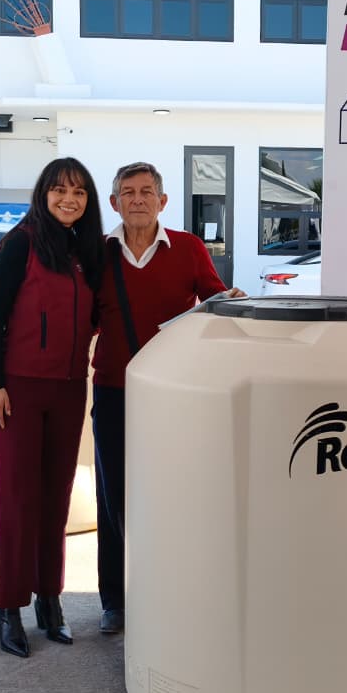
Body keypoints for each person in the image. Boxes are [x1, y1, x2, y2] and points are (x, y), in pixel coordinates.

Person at [91, 161, 243, 634]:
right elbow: (82, 318)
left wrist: (231, 302)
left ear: (163, 201)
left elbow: (214, 304)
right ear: (114, 203)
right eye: (128, 192)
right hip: (113, 390)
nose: (137, 199)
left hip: (173, 394)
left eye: (146, 191)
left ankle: (171, 593)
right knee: (114, 499)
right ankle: (115, 601)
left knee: (175, 494)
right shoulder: (98, 254)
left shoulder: (189, 248)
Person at [0, 157, 104, 657]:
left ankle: (49, 600)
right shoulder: (21, 243)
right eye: (60, 190)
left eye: (79, 192)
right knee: (18, 500)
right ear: (44, 193)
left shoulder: (86, 249)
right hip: (19, 389)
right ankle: (8, 606)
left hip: (70, 387)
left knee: (56, 499)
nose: (69, 199)